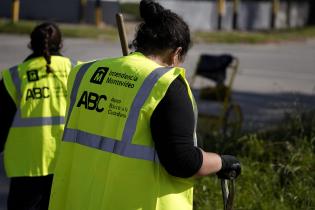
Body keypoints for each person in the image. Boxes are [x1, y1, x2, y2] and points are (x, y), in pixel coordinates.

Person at [48, 1, 241, 210]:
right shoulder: (166, 85)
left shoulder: (85, 72)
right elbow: (182, 162)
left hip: (79, 199)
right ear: (176, 53)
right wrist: (222, 162)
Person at [0, 22, 74, 210]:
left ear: (31, 44)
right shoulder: (76, 72)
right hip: (66, 163)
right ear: (61, 44)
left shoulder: (14, 76)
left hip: (26, 167)